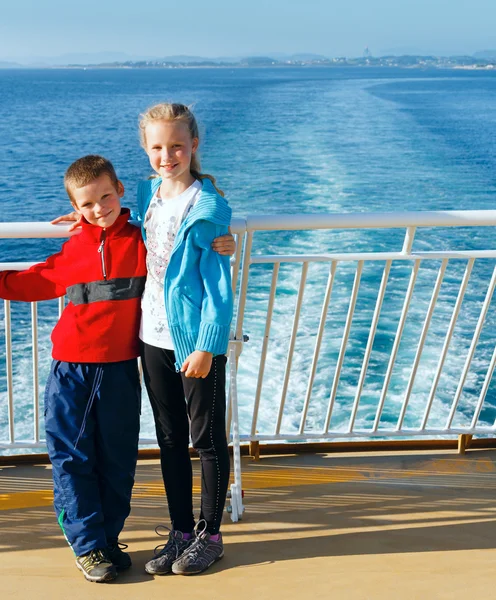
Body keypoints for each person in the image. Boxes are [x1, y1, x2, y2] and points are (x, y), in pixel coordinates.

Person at [0, 155, 147, 583]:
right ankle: (87, 546)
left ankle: (108, 538)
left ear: (120, 190)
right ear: (75, 208)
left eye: (106, 196)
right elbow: (32, 282)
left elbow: (172, 210)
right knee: (71, 457)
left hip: (121, 369)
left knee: (118, 460)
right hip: (72, 371)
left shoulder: (144, 240)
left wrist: (220, 239)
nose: (99, 208)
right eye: (87, 204)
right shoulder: (73, 249)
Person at [135, 103, 233, 576]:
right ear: (146, 150)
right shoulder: (148, 193)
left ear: (194, 145)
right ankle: (179, 533)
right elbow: (130, 231)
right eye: (157, 146)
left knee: (208, 439)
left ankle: (209, 535)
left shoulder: (207, 208)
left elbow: (218, 284)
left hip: (194, 341)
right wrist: (84, 219)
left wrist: (207, 345)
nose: (167, 155)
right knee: (170, 439)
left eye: (177, 145)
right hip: (150, 336)